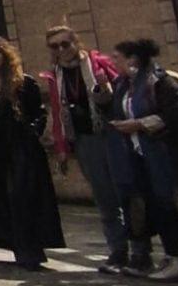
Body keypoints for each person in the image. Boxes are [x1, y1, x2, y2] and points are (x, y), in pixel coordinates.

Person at [101, 38, 178, 286]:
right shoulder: (123, 86)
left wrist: (140, 124)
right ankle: (175, 260)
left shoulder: (161, 82)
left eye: (117, 57)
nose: (112, 62)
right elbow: (114, 111)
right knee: (162, 208)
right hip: (144, 159)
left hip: (174, 158)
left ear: (132, 59)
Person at [43, 26, 146, 273]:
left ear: (75, 43)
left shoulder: (99, 65)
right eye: (55, 46)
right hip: (84, 139)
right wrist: (61, 147)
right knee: (104, 198)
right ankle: (117, 250)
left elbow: (123, 94)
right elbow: (57, 112)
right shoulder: (55, 75)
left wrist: (105, 89)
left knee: (128, 193)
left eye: (65, 44)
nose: (61, 50)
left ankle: (141, 252)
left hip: (113, 134)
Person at [0, 35, 65, 271]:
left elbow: (39, 112)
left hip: (21, 146)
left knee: (24, 196)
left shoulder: (23, 82)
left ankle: (31, 247)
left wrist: (32, 133)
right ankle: (16, 244)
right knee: (1, 197)